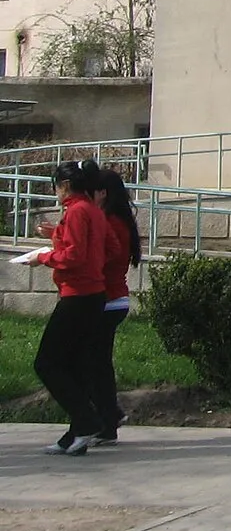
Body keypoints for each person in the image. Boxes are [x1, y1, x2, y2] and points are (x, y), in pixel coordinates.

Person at [31, 160, 110, 456]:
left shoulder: (76, 211)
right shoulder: (92, 211)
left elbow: (74, 255)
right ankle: (76, 433)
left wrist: (44, 258)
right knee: (75, 366)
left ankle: (87, 421)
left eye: (56, 187)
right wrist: (56, 235)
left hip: (78, 295)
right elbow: (101, 248)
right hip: (93, 293)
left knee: (47, 363)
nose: (56, 192)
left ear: (64, 186)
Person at [87, 167, 142, 447]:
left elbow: (104, 257)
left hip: (107, 299)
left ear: (103, 193)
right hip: (114, 299)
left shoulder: (109, 222)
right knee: (98, 362)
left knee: (90, 363)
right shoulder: (120, 220)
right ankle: (109, 421)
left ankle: (107, 415)